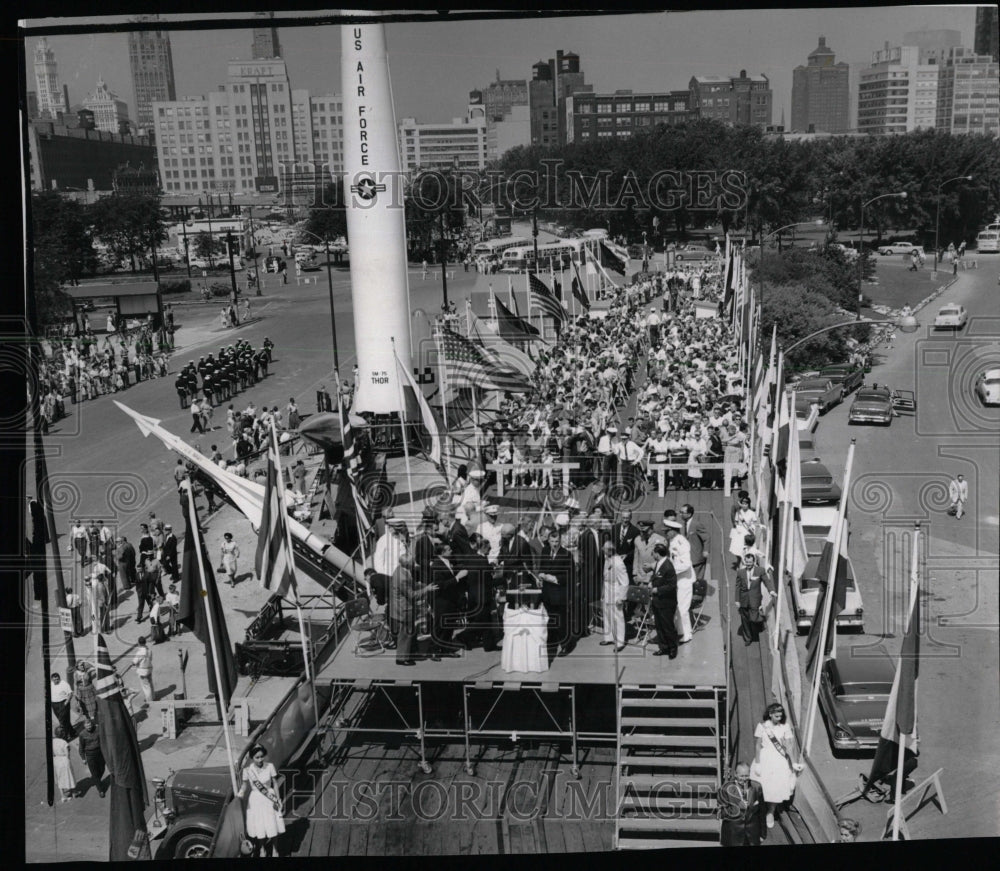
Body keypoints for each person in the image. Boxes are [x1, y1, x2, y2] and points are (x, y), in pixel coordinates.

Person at [753, 703, 803, 829]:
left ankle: (770, 812)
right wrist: (758, 763)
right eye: (776, 714)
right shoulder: (762, 726)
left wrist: (794, 762)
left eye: (780, 714)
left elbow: (789, 747)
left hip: (780, 760)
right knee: (762, 786)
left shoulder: (785, 727)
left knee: (776, 789)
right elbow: (758, 746)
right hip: (765, 759)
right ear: (770, 714)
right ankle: (759, 809)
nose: (779, 716)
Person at [239, 745, 285, 858]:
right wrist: (240, 794)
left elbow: (274, 784)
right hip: (255, 800)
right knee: (259, 826)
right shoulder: (247, 770)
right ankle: (262, 849)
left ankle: (275, 850)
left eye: (262, 756)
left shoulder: (270, 766)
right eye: (257, 757)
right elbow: (244, 786)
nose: (260, 760)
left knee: (273, 824)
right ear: (252, 757)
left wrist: (278, 799)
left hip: (270, 798)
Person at [663, 520, 695, 644]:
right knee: (677, 607)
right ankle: (680, 632)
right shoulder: (672, 541)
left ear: (673, 531)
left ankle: (687, 634)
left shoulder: (682, 543)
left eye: (667, 531)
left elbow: (686, 564)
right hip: (677, 580)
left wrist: (671, 572)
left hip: (684, 580)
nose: (665, 534)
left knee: (683, 608)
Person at [718, 763, 765, 846]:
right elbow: (721, 814)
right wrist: (736, 808)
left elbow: (762, 812)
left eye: (746, 776)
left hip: (752, 836)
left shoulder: (757, 787)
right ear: (735, 774)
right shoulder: (725, 789)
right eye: (741, 776)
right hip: (732, 836)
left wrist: (763, 834)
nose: (744, 779)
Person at [735, 553, 774, 645]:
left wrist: (771, 590)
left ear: (754, 562)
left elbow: (766, 581)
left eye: (750, 562)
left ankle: (760, 623)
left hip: (755, 599)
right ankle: (748, 638)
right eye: (747, 562)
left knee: (753, 618)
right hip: (743, 599)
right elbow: (737, 587)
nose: (748, 564)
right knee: (744, 619)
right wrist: (737, 600)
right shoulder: (740, 572)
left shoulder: (760, 570)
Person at [649, 542, 678, 658]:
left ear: (657, 554)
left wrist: (657, 590)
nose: (652, 554)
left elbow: (672, 585)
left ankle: (672, 649)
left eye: (654, 552)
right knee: (659, 626)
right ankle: (663, 647)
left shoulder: (668, 566)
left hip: (666, 603)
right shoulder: (659, 563)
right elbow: (656, 576)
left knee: (668, 626)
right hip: (658, 602)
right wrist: (651, 582)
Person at [599, 540, 628, 651]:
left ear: (610, 550)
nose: (603, 550)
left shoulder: (618, 563)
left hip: (615, 593)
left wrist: (621, 597)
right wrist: (602, 593)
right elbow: (605, 578)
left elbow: (624, 582)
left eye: (604, 549)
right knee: (607, 615)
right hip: (607, 591)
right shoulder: (607, 559)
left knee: (618, 617)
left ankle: (620, 642)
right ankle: (609, 637)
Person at [77, 719, 107, 797]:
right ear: (84, 726)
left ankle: (97, 781)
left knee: (102, 769)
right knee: (94, 773)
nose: (89, 727)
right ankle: (100, 790)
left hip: (100, 753)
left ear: (92, 724)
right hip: (90, 755)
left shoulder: (97, 729)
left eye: (90, 725)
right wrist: (83, 758)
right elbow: (81, 747)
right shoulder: (82, 734)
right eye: (87, 726)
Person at [52, 726, 78, 802]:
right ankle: (74, 792)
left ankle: (63, 796)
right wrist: (68, 760)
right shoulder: (64, 742)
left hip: (57, 760)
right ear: (62, 734)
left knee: (59, 777)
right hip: (64, 760)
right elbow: (67, 754)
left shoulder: (53, 741)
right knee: (70, 775)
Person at [50, 672, 75, 737]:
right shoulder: (51, 684)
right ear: (52, 680)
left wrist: (66, 702)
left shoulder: (64, 684)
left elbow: (70, 693)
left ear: (59, 678)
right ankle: (72, 732)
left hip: (63, 703)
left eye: (57, 679)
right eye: (54, 679)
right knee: (64, 720)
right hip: (54, 704)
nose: (56, 681)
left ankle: (64, 736)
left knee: (62, 720)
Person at [133, 636, 154, 706]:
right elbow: (151, 659)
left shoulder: (139, 652)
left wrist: (133, 663)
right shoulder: (149, 650)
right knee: (150, 683)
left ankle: (149, 701)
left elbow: (135, 661)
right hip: (149, 669)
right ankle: (153, 697)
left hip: (143, 671)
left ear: (139, 643)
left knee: (146, 686)